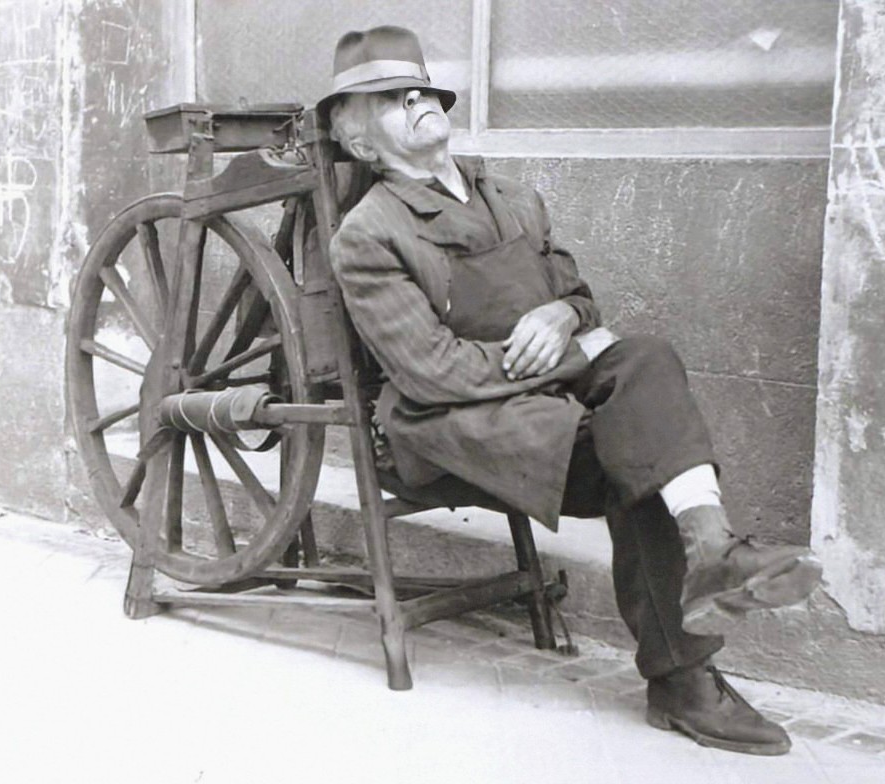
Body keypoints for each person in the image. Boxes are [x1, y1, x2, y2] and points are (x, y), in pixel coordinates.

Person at [319, 25, 821, 757]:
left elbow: (582, 301)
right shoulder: (369, 234)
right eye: (392, 98)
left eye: (420, 88)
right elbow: (430, 370)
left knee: (646, 360)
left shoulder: (514, 199)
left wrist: (561, 316)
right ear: (362, 142)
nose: (418, 100)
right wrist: (572, 352)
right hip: (454, 425)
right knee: (636, 449)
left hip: (539, 399)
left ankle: (712, 550)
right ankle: (683, 680)